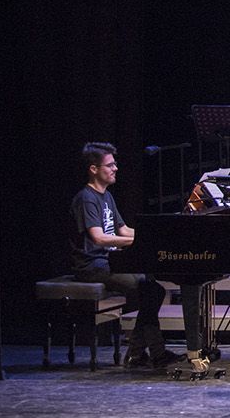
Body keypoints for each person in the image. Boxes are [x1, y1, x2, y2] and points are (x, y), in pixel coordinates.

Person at [69, 142, 182, 370]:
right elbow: (99, 238)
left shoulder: (106, 196)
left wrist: (157, 235)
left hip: (110, 261)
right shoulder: (86, 198)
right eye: (109, 165)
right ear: (93, 169)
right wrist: (140, 241)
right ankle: (152, 353)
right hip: (91, 265)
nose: (115, 169)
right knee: (145, 287)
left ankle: (137, 353)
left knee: (153, 289)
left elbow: (124, 230)